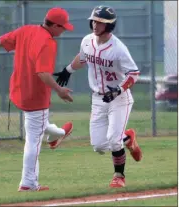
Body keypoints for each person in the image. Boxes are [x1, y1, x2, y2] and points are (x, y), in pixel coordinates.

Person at [0, 7, 74, 192]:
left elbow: (3, 39)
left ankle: (58, 134)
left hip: (19, 92)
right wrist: (59, 90)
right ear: (55, 25)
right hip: (35, 97)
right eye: (63, 27)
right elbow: (42, 73)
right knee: (33, 140)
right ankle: (28, 183)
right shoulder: (48, 42)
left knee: (37, 125)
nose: (64, 30)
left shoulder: (27, 30)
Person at [53, 5, 142, 188]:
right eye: (94, 21)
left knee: (113, 139)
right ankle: (127, 138)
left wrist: (118, 89)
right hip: (98, 98)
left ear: (109, 26)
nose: (95, 24)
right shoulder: (87, 40)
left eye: (100, 22)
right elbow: (83, 57)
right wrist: (68, 70)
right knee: (99, 146)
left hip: (119, 98)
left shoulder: (118, 48)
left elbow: (134, 73)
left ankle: (119, 176)